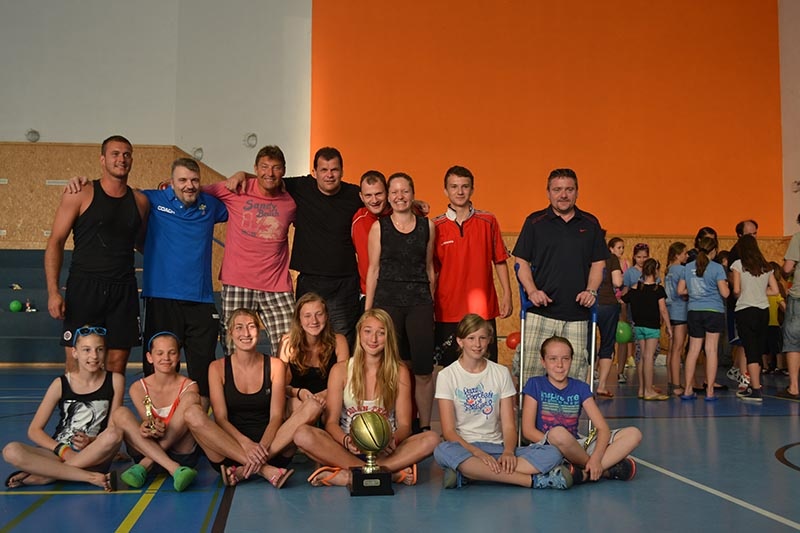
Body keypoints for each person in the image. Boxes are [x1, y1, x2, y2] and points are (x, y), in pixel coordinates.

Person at [227, 147, 364, 347]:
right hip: (310, 280)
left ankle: (340, 370)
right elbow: (269, 178)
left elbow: (379, 199)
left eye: (334, 170)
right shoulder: (301, 187)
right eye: (324, 170)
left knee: (342, 340)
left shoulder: (354, 194)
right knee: (307, 341)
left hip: (344, 284)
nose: (329, 175)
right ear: (314, 172)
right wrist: (242, 174)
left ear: (342, 171)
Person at [295, 309, 440, 488]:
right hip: (348, 449)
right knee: (302, 434)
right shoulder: (340, 370)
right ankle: (385, 473)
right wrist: (346, 441)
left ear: (389, 337)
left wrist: (392, 440)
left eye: (381, 333)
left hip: (385, 450)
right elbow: (331, 423)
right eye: (368, 331)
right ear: (359, 333)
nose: (373, 339)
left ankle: (351, 476)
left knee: (432, 439)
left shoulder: (399, 371)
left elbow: (404, 425)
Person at [45, 135, 149, 373]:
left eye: (126, 154)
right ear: (102, 159)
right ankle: (75, 401)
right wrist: (53, 292)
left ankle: (110, 401)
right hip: (85, 288)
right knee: (77, 363)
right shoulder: (80, 193)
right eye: (115, 154)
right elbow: (55, 242)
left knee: (116, 364)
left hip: (123, 289)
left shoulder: (140, 201)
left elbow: (143, 243)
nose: (121, 159)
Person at [434, 314, 572, 489]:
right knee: (442, 450)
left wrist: (508, 452)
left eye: (482, 338)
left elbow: (508, 426)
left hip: (496, 447)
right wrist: (477, 453)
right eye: (471, 338)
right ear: (460, 341)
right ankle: (532, 481)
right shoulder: (447, 375)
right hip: (464, 448)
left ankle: (470, 473)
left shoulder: (501, 373)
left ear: (489, 340)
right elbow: (448, 431)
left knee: (553, 453)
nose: (477, 344)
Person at [184, 309, 314, 488]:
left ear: (259, 332)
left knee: (311, 406)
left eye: (251, 326)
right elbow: (221, 418)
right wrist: (246, 445)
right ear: (230, 333)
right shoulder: (217, 368)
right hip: (229, 451)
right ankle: (264, 470)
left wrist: (261, 449)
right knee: (192, 414)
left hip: (272, 448)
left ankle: (245, 470)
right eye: (239, 327)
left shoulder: (275, 365)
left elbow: (276, 417)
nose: (246, 333)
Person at [512, 168, 607, 385]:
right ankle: (528, 409)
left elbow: (598, 263)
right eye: (557, 190)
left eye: (569, 189)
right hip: (540, 311)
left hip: (577, 313)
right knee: (531, 375)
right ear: (548, 193)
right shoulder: (535, 222)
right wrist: (532, 291)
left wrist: (591, 291)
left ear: (577, 192)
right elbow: (521, 261)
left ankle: (568, 411)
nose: (563, 195)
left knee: (574, 378)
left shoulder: (590, 224)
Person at [3, 326, 123, 490]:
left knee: (114, 434)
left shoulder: (115, 380)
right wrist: (63, 450)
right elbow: (34, 431)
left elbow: (112, 428)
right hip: (58, 452)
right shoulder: (60, 383)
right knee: (11, 451)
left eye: (99, 349)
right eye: (86, 350)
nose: (94, 356)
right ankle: (89, 477)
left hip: (93, 453)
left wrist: (90, 440)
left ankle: (46, 475)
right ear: (75, 352)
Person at [204, 146, 297, 354]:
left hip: (276, 284)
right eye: (264, 167)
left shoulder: (291, 201)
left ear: (284, 170)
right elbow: (196, 191)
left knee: (291, 345)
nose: (269, 173)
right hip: (238, 281)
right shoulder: (236, 189)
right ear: (255, 168)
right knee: (233, 346)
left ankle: (283, 377)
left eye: (276, 168)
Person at [365, 173, 436, 432]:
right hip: (387, 303)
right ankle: (388, 425)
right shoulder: (379, 227)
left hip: (419, 302)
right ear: (388, 196)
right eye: (394, 192)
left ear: (413, 193)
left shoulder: (427, 226)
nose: (399, 196)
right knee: (390, 369)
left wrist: (430, 304)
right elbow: (373, 270)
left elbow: (429, 268)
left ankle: (424, 427)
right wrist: (368, 312)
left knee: (423, 370)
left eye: (404, 191)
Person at [521, 336, 641, 484]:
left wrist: (596, 458)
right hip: (548, 448)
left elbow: (603, 428)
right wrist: (557, 445)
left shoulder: (580, 387)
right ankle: (603, 470)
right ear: (543, 362)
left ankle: (584, 472)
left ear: (571, 360)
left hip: (577, 446)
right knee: (558, 434)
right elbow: (528, 431)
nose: (560, 365)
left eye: (565, 359)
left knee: (633, 434)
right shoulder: (535, 384)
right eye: (553, 359)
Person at [432, 165, 512, 367]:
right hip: (447, 310)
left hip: (482, 310)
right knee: (449, 369)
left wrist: (507, 295)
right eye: (454, 186)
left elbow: (500, 260)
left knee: (485, 368)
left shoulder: (488, 221)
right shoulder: (435, 226)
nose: (460, 192)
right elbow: (431, 271)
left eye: (465, 186)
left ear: (472, 189)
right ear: (445, 190)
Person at [113, 332, 201, 491]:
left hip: (179, 454)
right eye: (160, 353)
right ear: (149, 357)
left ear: (178, 356)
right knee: (120, 413)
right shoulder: (138, 388)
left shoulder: (189, 386)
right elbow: (149, 420)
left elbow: (178, 427)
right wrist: (148, 427)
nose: (166, 358)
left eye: (171, 352)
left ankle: (147, 465)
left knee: (192, 399)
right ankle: (173, 468)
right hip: (148, 449)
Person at [278, 293, 349, 419]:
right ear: (299, 320)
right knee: (296, 404)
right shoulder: (287, 343)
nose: (314, 321)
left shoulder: (339, 341)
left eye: (319, 314)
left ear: (326, 316)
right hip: (298, 401)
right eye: (307, 316)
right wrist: (299, 393)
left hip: (329, 400)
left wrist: (323, 395)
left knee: (327, 409)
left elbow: (346, 381)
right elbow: (280, 386)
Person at [678, 236, 730, 401]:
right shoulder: (717, 268)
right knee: (711, 350)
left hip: (694, 311)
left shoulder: (688, 267)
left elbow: (680, 290)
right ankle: (710, 392)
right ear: (714, 251)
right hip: (713, 311)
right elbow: (725, 293)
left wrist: (695, 292)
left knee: (693, 350)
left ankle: (687, 390)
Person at [730, 235, 778, 402]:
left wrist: (745, 293)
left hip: (745, 310)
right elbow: (775, 290)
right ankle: (754, 385)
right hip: (763, 311)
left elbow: (736, 290)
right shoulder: (766, 266)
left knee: (750, 350)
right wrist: (759, 292)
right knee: (758, 349)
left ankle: (756, 390)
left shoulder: (738, 264)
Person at [621, 259, 672, 400]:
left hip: (638, 326)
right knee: (649, 357)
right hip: (652, 327)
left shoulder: (635, 288)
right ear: (655, 271)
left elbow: (622, 300)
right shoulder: (658, 289)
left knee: (643, 357)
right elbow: (663, 309)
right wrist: (669, 327)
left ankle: (642, 389)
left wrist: (624, 318)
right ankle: (649, 390)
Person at [352, 171, 390, 301]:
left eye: (378, 194)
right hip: (367, 294)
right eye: (368, 195)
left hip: (398, 295)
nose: (374, 200)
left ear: (387, 192)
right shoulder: (357, 219)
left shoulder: (403, 215)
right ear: (361, 197)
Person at [594, 237, 623, 398]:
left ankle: (586, 383)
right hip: (608, 305)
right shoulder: (611, 258)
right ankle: (602, 386)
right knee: (607, 344)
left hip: (589, 304)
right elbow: (617, 282)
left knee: (587, 345)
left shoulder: (585, 255)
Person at [664, 242, 689, 396]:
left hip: (670, 310)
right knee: (677, 349)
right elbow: (682, 291)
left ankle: (670, 380)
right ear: (677, 255)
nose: (687, 256)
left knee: (672, 348)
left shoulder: (669, 270)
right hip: (680, 311)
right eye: (685, 253)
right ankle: (676, 384)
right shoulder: (682, 270)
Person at [782, 215, 800, 399]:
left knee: (793, 341)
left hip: (799, 297)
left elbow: (787, 268)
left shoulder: (798, 237)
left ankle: (794, 387)